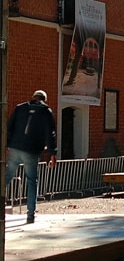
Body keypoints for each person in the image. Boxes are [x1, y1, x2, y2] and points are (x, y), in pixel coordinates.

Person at [6, 90, 57, 224]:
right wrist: (52, 153)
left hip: (15, 148)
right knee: (32, 180)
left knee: (6, 177)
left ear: (33, 97)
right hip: (31, 150)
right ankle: (30, 214)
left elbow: (9, 127)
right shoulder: (46, 111)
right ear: (44, 99)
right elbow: (50, 133)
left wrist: (7, 144)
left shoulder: (20, 108)